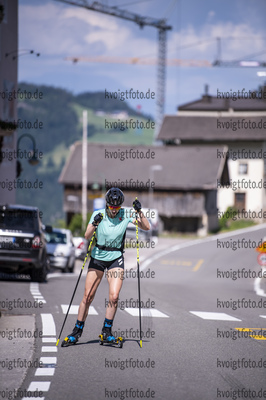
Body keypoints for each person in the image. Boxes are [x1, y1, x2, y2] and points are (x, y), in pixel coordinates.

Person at [64, 187, 150, 345]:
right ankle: (77, 331)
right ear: (107, 204)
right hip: (98, 256)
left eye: (117, 207)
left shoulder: (125, 214)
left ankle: (106, 331)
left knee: (114, 296)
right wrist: (94, 222)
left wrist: (139, 212)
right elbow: (87, 235)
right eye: (112, 207)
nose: (114, 210)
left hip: (116, 257)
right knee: (88, 296)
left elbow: (146, 227)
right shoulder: (99, 214)